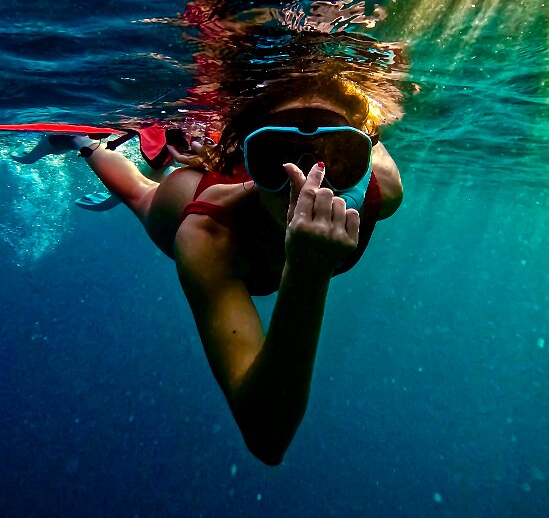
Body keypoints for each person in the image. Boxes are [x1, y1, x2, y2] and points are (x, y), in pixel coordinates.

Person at [18, 71, 402, 465]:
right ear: (251, 160)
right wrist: (307, 275)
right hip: (219, 196)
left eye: (337, 153)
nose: (304, 185)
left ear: (360, 164)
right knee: (143, 197)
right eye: (276, 155)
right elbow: (266, 438)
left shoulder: (383, 189)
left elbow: (268, 442)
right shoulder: (208, 230)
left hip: (247, 181)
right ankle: (84, 143)